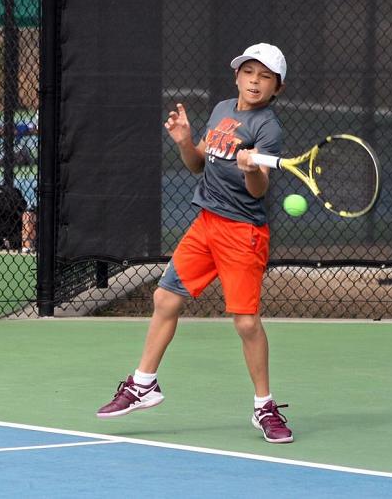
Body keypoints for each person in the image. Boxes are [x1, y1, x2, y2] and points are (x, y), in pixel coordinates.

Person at [96, 43, 294, 444]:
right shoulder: (222, 110)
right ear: (236, 76)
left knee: (246, 323)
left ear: (277, 88)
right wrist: (186, 141)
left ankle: (264, 407)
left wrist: (250, 167)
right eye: (249, 72)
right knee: (165, 298)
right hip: (206, 224)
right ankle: (143, 384)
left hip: (243, 233)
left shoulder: (268, 129)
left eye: (265, 77)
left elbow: (258, 190)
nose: (255, 81)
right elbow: (199, 164)